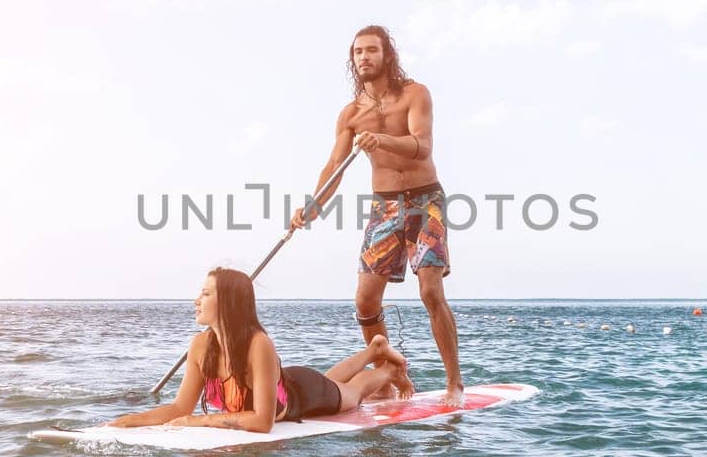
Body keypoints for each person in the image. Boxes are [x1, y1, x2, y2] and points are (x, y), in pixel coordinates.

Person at [290, 25, 465, 407]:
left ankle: (455, 383)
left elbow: (422, 146)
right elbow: (333, 166)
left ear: (388, 55)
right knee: (366, 302)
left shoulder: (414, 94)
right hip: (384, 206)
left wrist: (381, 139)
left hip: (424, 200)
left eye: (372, 50)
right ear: (352, 60)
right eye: (357, 52)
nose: (364, 57)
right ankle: (389, 375)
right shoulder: (351, 114)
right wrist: (312, 206)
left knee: (431, 291)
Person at [106, 268, 412, 433]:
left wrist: (198, 421)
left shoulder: (257, 343)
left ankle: (386, 367)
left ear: (227, 301)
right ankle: (373, 350)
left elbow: (263, 422)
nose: (196, 300)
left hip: (303, 394)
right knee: (333, 381)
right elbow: (178, 409)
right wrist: (125, 422)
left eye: (205, 293)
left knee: (352, 393)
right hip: (287, 384)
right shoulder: (200, 345)